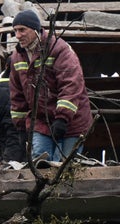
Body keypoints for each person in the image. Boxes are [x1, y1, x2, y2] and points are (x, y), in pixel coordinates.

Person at [8, 9, 91, 162]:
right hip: (40, 121)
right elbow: (17, 95)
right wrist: (20, 128)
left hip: (72, 121)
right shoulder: (16, 57)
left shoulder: (59, 49)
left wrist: (62, 118)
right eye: (15, 31)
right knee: (40, 162)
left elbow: (71, 85)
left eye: (22, 30)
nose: (18, 35)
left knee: (66, 165)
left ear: (35, 29)